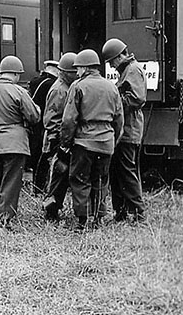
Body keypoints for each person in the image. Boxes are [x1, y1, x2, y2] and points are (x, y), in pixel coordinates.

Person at [0, 56, 40, 230]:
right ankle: (5, 220)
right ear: (16, 74)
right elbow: (33, 116)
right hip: (15, 144)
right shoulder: (19, 92)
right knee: (11, 182)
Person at [60, 49, 123, 231]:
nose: (77, 72)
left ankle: (82, 220)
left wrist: (66, 143)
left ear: (86, 68)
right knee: (101, 180)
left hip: (83, 143)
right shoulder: (112, 87)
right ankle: (97, 218)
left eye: (78, 68)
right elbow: (119, 119)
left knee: (80, 179)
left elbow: (69, 119)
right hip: (106, 143)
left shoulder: (78, 87)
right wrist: (113, 139)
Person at [103, 38, 147, 223]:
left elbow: (137, 99)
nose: (112, 66)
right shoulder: (127, 70)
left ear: (121, 56)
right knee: (118, 172)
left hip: (129, 131)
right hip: (124, 130)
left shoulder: (133, 70)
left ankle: (138, 213)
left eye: (112, 61)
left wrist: (113, 103)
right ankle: (120, 212)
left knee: (127, 172)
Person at [40, 53, 78, 220]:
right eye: (74, 71)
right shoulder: (60, 90)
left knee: (61, 176)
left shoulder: (65, 87)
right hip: (57, 140)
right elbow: (52, 119)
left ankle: (53, 209)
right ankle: (50, 211)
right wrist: (59, 143)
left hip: (61, 139)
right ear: (65, 72)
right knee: (58, 176)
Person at [28, 60, 60, 193]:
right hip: (45, 125)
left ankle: (36, 186)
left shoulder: (35, 81)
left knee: (35, 155)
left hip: (34, 123)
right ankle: (41, 186)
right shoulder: (53, 84)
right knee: (45, 156)